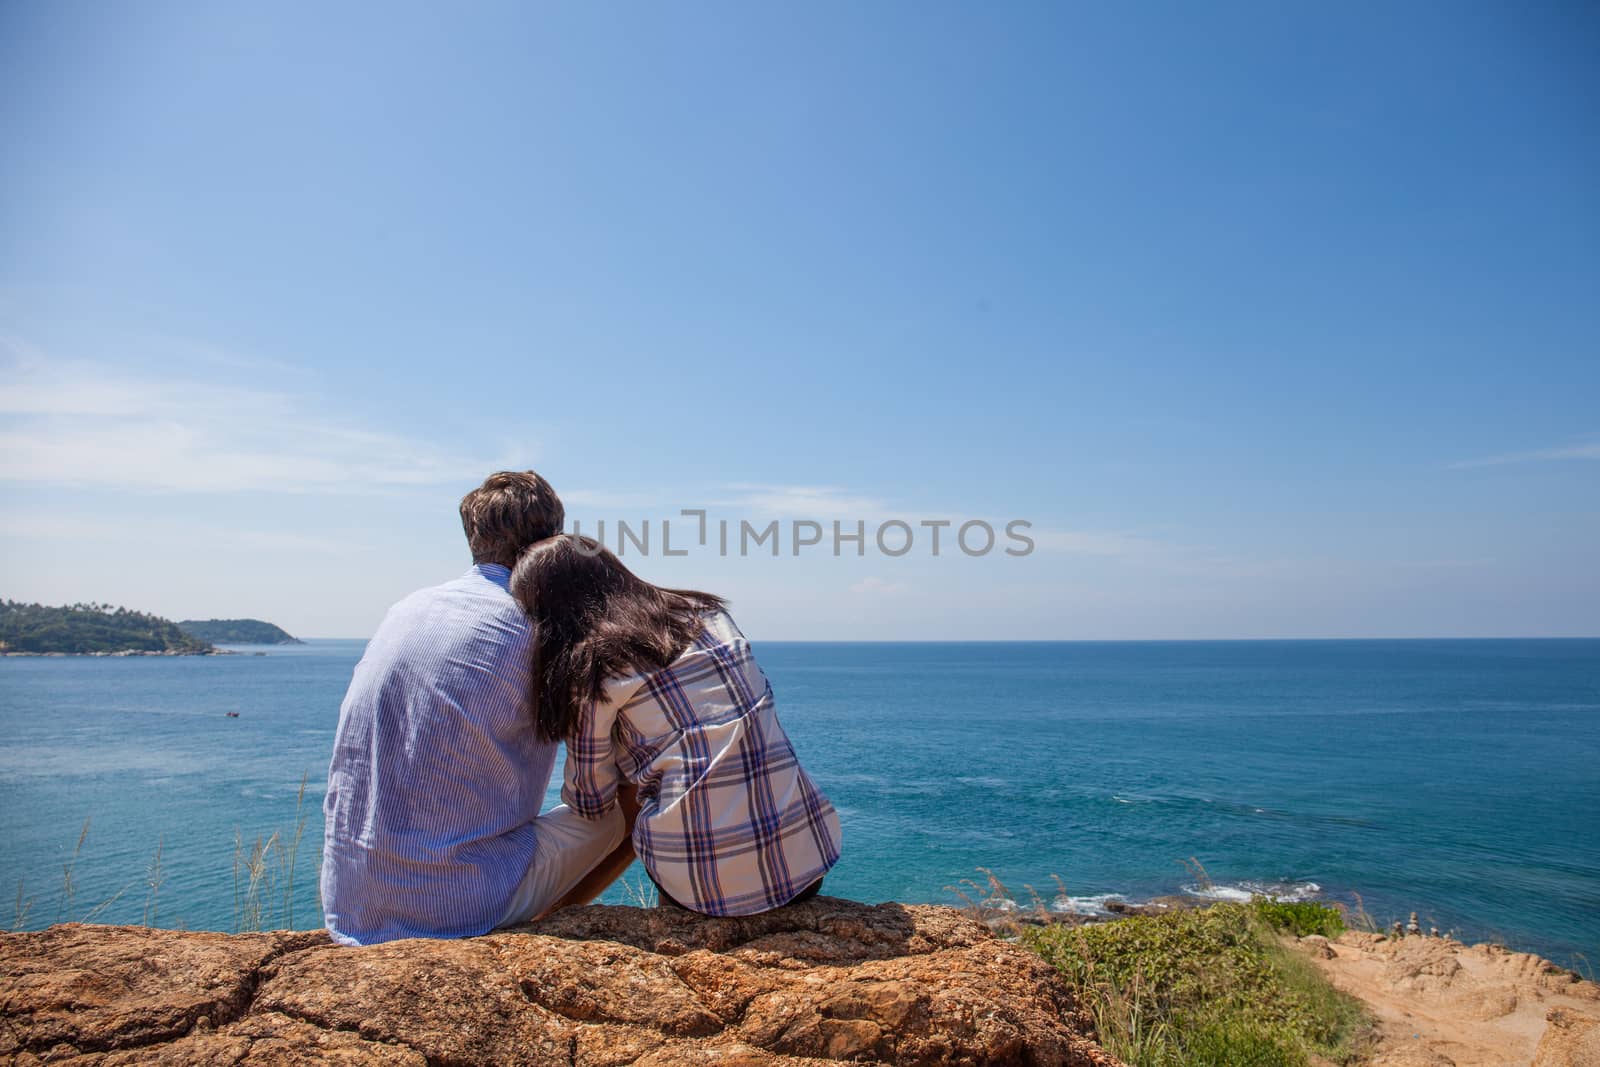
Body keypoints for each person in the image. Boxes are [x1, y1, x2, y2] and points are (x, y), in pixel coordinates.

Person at [321, 472, 636, 946]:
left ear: (473, 536)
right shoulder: (542, 625)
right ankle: (537, 932)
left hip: (353, 899)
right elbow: (603, 776)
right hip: (453, 903)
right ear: (554, 538)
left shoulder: (409, 608)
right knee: (634, 800)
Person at [511, 534, 841, 916]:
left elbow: (591, 801)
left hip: (704, 892)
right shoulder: (708, 613)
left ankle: (551, 917)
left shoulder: (592, 667)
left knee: (637, 791)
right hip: (809, 857)